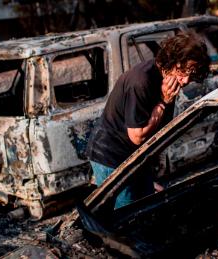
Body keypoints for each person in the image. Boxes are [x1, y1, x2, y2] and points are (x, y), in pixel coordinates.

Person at [86, 32, 210, 208]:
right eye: (184, 72)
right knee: (127, 215)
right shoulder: (141, 81)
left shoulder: (168, 81)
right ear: (172, 61)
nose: (186, 80)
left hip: (135, 157)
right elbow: (138, 136)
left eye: (192, 74)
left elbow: (161, 129)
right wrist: (163, 102)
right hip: (112, 156)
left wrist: (147, 177)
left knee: (145, 207)